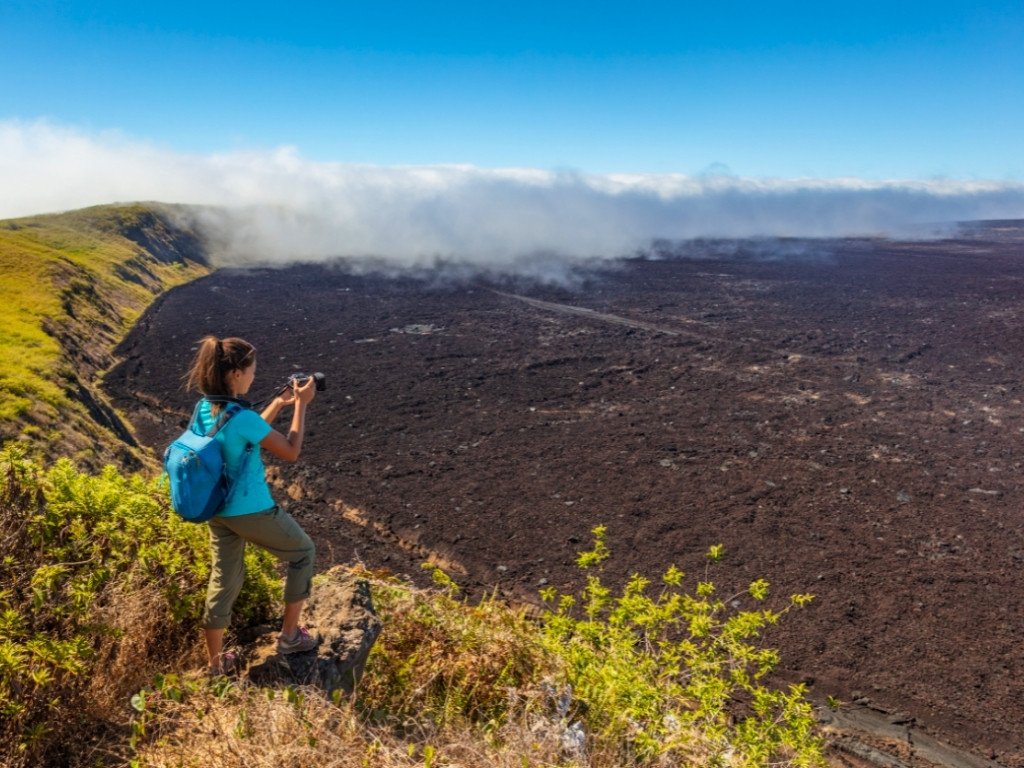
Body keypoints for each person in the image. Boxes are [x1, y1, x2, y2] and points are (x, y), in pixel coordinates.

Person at [184, 335, 319, 675]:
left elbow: (240, 431)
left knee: (224, 578)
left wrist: (278, 403)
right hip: (249, 509)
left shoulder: (204, 407)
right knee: (303, 553)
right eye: (252, 370)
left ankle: (216, 665)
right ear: (236, 374)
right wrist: (302, 405)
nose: (254, 376)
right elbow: (290, 450)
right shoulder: (241, 417)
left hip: (215, 509)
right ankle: (289, 636)